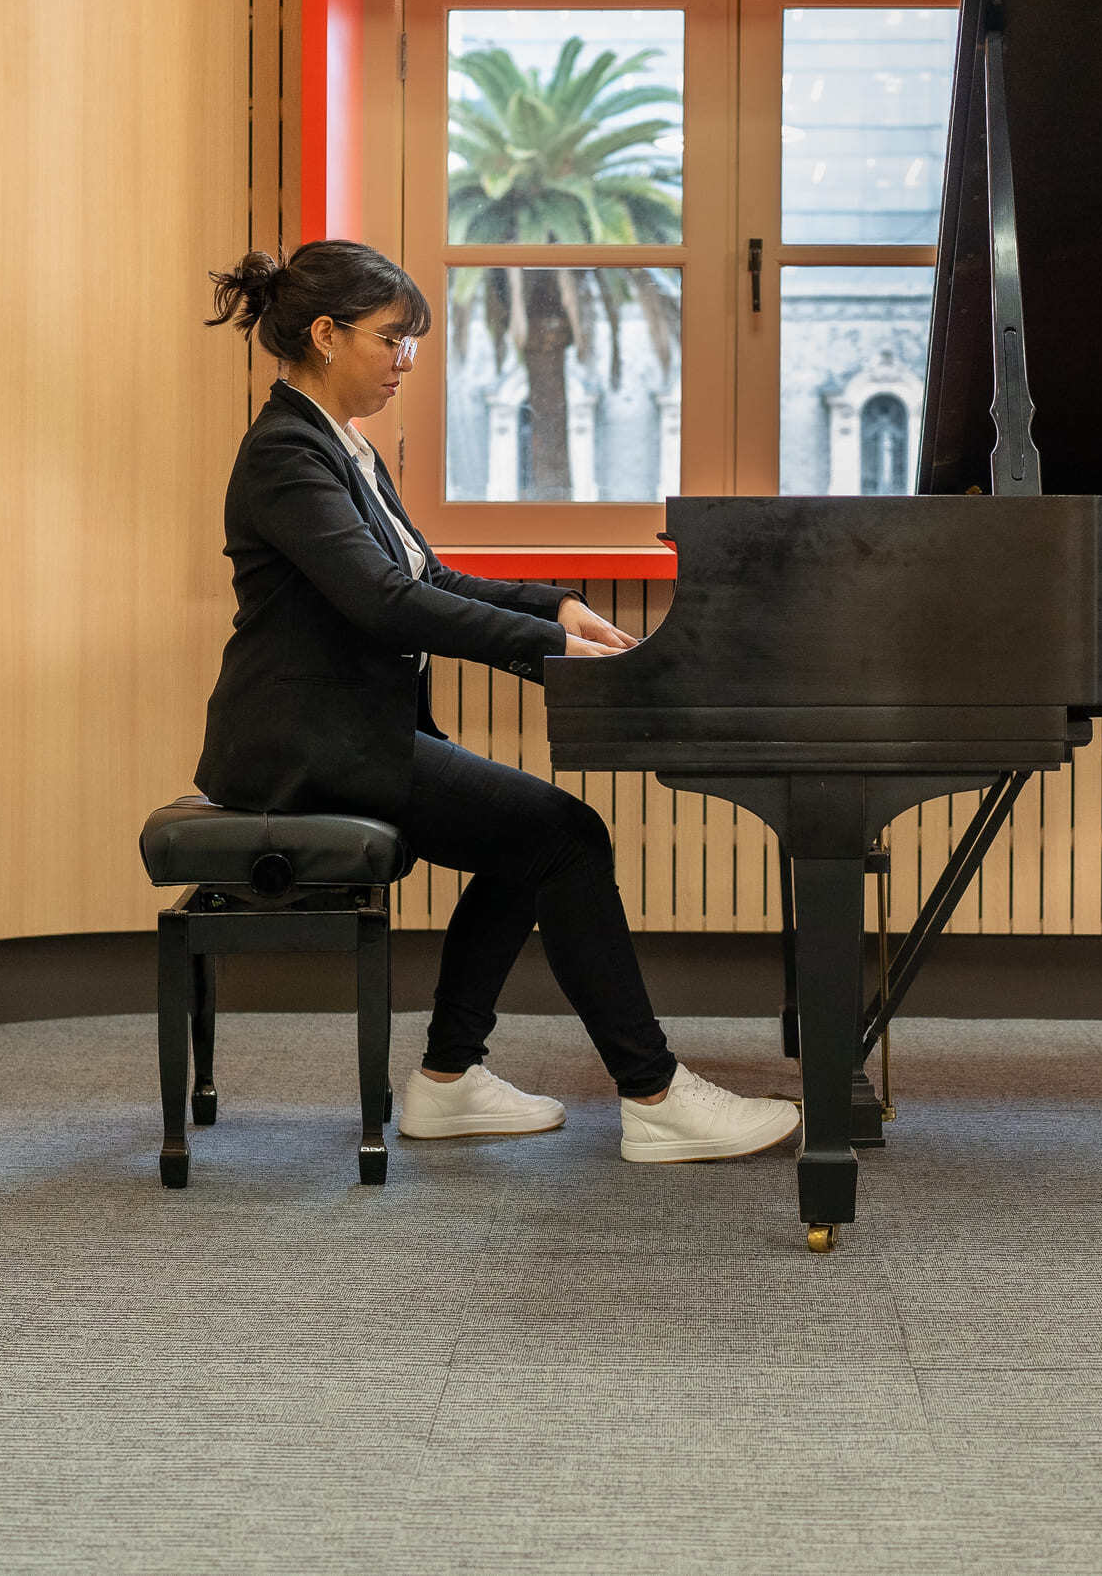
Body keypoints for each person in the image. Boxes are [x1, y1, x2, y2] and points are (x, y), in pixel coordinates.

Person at [195, 239, 799, 1164]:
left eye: (413, 345)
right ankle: (654, 1093)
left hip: (354, 731)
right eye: (393, 341)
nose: (406, 363)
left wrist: (553, 604)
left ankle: (447, 1082)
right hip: (304, 745)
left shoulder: (339, 444)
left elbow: (429, 574)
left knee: (538, 841)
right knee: (563, 836)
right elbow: (383, 601)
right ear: (325, 334)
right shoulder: (285, 453)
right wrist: (550, 644)